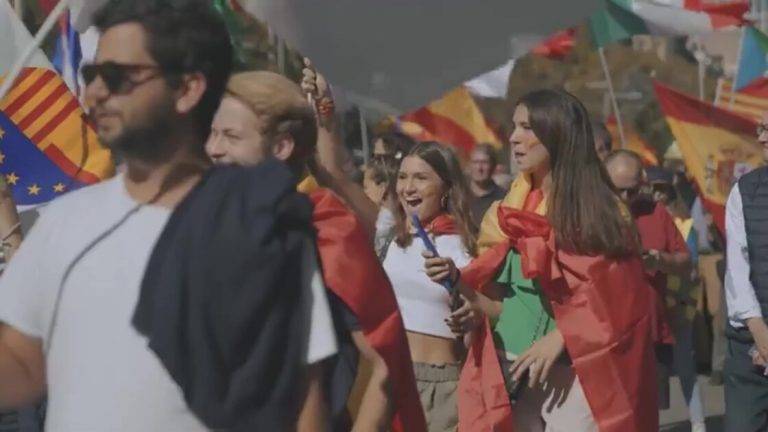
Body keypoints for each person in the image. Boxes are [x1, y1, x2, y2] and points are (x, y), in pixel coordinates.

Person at [0, 2, 336, 431]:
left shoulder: (257, 224)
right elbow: (22, 368)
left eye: (119, 77)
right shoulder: (66, 221)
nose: (94, 94)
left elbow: (303, 399)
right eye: (91, 75)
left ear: (188, 89)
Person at [206, 70, 426, 432]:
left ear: (281, 147)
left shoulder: (326, 234)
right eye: (212, 134)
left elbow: (386, 362)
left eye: (230, 136)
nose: (214, 149)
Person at [429, 89, 658, 432]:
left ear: (558, 134)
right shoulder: (507, 211)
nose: (513, 138)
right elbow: (506, 303)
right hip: (514, 371)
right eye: (514, 126)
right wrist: (459, 284)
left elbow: (621, 302)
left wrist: (561, 337)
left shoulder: (604, 212)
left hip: (582, 376)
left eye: (526, 128)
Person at [380, 141, 477, 432]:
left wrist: (469, 309)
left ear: (447, 188)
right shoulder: (391, 240)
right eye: (402, 176)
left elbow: (480, 326)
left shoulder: (465, 249)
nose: (408, 187)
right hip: (389, 380)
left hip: (441, 388)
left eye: (421, 178)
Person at [605, 150, 692, 422]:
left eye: (632, 190)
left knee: (647, 416)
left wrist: (659, 259)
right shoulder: (592, 215)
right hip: (607, 336)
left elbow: (684, 261)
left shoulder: (656, 212)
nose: (626, 199)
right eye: (618, 190)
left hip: (651, 334)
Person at [647, 167, 708, 432]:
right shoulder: (642, 220)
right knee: (650, 373)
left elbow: (691, 265)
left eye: (662, 189)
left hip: (678, 307)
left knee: (685, 366)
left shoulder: (686, 224)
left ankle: (698, 422)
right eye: (654, 189)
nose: (658, 195)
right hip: (651, 307)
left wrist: (664, 260)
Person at [723, 114, 768, 432]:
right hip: (751, 339)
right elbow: (737, 270)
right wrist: (759, 333)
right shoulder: (746, 191)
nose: (762, 139)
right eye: (761, 129)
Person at [467, 144, 506, 226]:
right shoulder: (458, 195)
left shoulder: (504, 199)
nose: (479, 168)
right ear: (470, 165)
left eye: (484, 163)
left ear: (493, 166)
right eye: (475, 162)